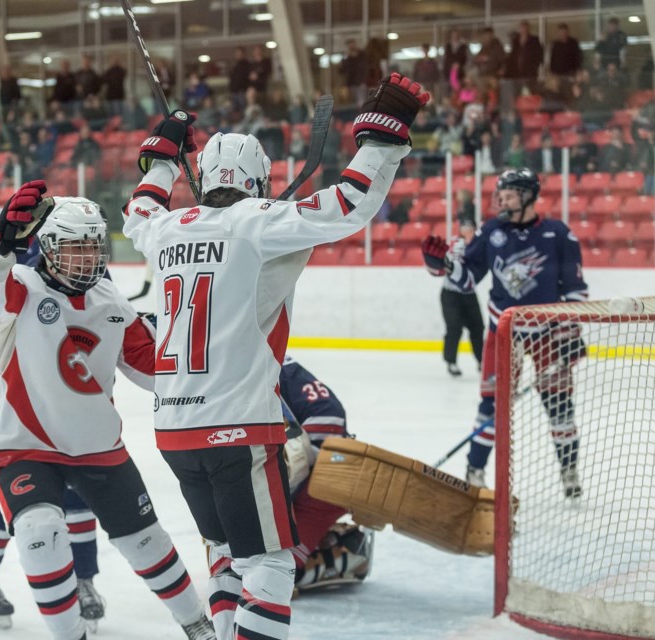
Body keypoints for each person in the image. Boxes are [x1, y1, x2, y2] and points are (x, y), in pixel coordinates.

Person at [123, 72, 429, 639]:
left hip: (172, 431)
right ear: (259, 180)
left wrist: (163, 154)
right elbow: (351, 203)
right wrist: (382, 140)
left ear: (204, 178)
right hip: (239, 427)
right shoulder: (259, 221)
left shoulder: (161, 230)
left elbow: (136, 210)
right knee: (270, 563)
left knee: (224, 551)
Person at [0, 189, 215, 640]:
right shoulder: (19, 285)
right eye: (75, 246)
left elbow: (154, 368)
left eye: (93, 244)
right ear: (48, 247)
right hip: (27, 446)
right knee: (40, 534)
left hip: (97, 444)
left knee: (146, 542)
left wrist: (210, 359)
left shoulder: (111, 301)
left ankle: (198, 624)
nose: (87, 256)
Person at [0, 207, 107, 631]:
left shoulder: (58, 259)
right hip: (15, 407)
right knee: (1, 499)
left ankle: (83, 580)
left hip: (67, 403)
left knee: (79, 493)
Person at [421, 168, 589, 498]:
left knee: (559, 406)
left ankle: (569, 470)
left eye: (510, 193)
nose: (502, 199)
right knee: (490, 407)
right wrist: (442, 266)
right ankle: (475, 469)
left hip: (548, 333)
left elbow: (574, 290)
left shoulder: (559, 234)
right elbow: (467, 279)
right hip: (504, 331)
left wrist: (570, 337)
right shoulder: (492, 231)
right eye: (501, 193)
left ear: (528, 196)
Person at [278, 356, 374, 591]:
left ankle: (345, 555)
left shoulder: (262, 359)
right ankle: (326, 542)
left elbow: (328, 415)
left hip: (327, 482)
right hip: (314, 475)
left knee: (277, 576)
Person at [435, 218, 484, 377]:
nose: (466, 229)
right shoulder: (453, 242)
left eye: (469, 226)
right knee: (454, 327)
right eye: (464, 226)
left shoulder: (479, 245)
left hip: (469, 294)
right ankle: (451, 361)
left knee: (478, 328)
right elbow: (444, 262)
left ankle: (482, 361)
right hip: (450, 294)